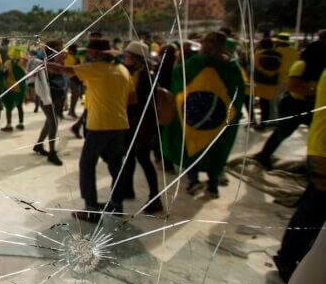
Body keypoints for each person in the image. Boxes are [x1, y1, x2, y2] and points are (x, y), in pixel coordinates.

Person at [49, 38, 130, 221]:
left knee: (87, 165)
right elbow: (130, 97)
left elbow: (63, 70)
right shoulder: (122, 70)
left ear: (96, 53)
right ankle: (117, 204)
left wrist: (44, 63)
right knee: (116, 165)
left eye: (90, 52)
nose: (87, 55)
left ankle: (91, 209)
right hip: (120, 124)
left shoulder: (95, 69)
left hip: (100, 125)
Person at [162, 31, 245, 198]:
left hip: (193, 116)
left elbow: (178, 78)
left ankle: (193, 182)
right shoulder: (231, 66)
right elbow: (238, 91)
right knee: (215, 149)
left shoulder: (195, 63)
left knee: (192, 147)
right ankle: (213, 186)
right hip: (218, 118)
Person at [272, 68, 326, 283]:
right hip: (323, 152)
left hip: (319, 148)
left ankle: (294, 257)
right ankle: (288, 258)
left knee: (313, 208)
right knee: (314, 209)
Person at [254, 41, 325, 169]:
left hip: (311, 105)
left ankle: (313, 166)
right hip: (293, 105)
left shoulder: (320, 67)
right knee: (282, 132)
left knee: (317, 136)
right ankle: (263, 156)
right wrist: (315, 92)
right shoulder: (302, 65)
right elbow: (292, 86)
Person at [111, 41, 163, 213]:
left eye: (127, 56)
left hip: (141, 125)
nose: (124, 58)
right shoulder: (136, 73)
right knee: (130, 157)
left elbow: (141, 103)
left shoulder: (145, 77)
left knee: (143, 159)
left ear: (136, 59)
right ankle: (128, 189)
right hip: (133, 123)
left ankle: (155, 198)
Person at [32, 45, 64, 166]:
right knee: (53, 123)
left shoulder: (54, 64)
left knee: (49, 122)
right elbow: (43, 86)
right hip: (48, 99)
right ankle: (52, 153)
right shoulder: (48, 66)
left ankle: (39, 145)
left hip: (53, 99)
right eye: (60, 50)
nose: (63, 53)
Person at [0, 46, 27, 132]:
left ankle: (9, 125)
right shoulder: (23, 63)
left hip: (10, 87)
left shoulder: (8, 63)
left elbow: (5, 74)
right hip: (21, 87)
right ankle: (21, 123)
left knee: (8, 107)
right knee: (20, 106)